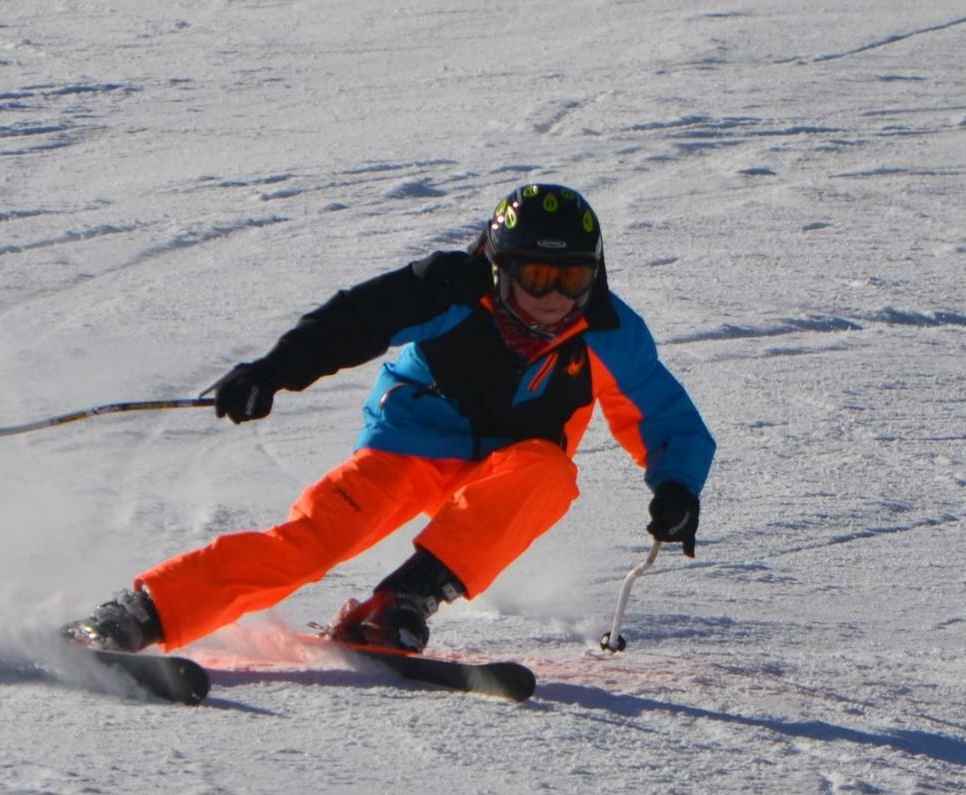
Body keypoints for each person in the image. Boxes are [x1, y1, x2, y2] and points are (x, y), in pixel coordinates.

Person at [63, 183, 715, 655]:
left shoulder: (606, 329)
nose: (551, 299)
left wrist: (676, 486)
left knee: (548, 474)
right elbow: (355, 321)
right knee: (311, 543)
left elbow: (662, 413)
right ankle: (138, 614)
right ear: (496, 268)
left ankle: (399, 601)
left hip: (511, 462)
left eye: (569, 278)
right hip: (410, 446)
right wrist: (273, 370)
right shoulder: (450, 287)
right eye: (535, 275)